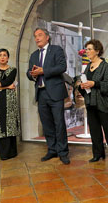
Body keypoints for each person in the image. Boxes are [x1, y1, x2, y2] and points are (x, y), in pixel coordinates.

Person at [26, 27, 70, 165]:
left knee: (59, 123)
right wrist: (32, 74)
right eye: (35, 36)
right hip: (41, 93)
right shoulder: (33, 55)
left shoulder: (56, 50)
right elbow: (28, 72)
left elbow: (62, 67)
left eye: (39, 35)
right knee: (47, 124)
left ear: (47, 37)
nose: (37, 38)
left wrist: (43, 71)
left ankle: (63, 152)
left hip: (55, 93)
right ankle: (52, 150)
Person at [79, 39, 108, 164]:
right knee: (94, 130)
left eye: (90, 49)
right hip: (91, 102)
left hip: (103, 103)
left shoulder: (104, 66)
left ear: (97, 51)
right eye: (86, 49)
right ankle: (98, 154)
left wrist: (94, 83)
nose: (87, 51)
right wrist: (82, 85)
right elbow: (87, 81)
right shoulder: (88, 66)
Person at [0, 48, 20, 160]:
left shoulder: (13, 70)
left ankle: (12, 152)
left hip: (9, 100)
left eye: (4, 55)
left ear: (8, 58)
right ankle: (4, 153)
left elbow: (7, 81)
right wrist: (5, 87)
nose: (2, 57)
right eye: (0, 55)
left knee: (10, 123)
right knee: (0, 124)